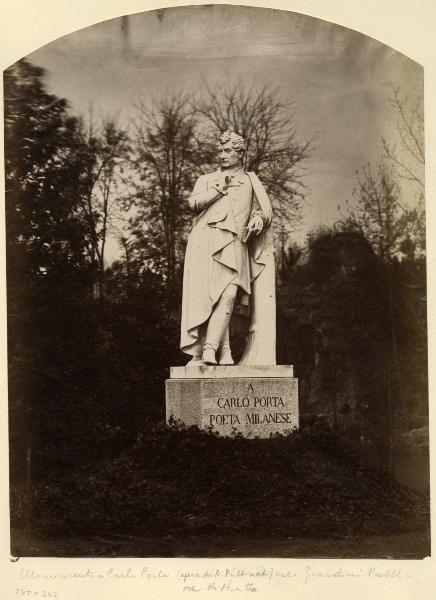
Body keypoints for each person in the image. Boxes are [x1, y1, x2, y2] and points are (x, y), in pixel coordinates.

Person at [180, 130, 276, 366]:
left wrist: (258, 218)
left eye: (228, 151)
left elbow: (266, 211)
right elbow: (193, 204)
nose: (222, 155)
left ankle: (211, 348)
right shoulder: (207, 179)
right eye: (220, 151)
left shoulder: (251, 180)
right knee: (210, 298)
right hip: (205, 241)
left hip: (235, 243)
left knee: (230, 293)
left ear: (240, 153)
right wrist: (218, 189)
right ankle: (220, 352)